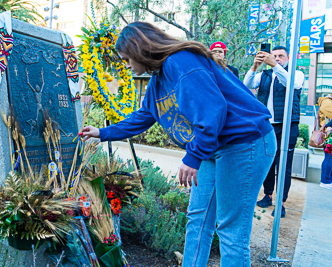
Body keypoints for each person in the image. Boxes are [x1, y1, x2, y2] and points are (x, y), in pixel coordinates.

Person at [80, 22, 276, 266]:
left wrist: (193, 157)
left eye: (126, 58)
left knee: (230, 229)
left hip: (245, 142)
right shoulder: (158, 82)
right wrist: (102, 132)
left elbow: (213, 110)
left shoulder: (181, 61)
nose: (126, 64)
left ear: (139, 49)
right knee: (198, 219)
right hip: (215, 148)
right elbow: (142, 117)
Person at [243, 46, 304, 218]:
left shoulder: (296, 73)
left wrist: (275, 67)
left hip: (286, 125)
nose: (277, 59)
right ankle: (268, 195)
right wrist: (254, 66)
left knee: (283, 165)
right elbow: (246, 85)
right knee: (266, 162)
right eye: (274, 56)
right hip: (266, 126)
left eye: (281, 56)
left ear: (288, 58)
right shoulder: (264, 75)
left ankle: (281, 203)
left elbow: (293, 85)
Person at [317, 95, 332, 189]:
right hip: (329, 136)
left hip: (329, 134)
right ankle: (325, 181)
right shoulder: (327, 102)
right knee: (329, 157)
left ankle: (327, 180)